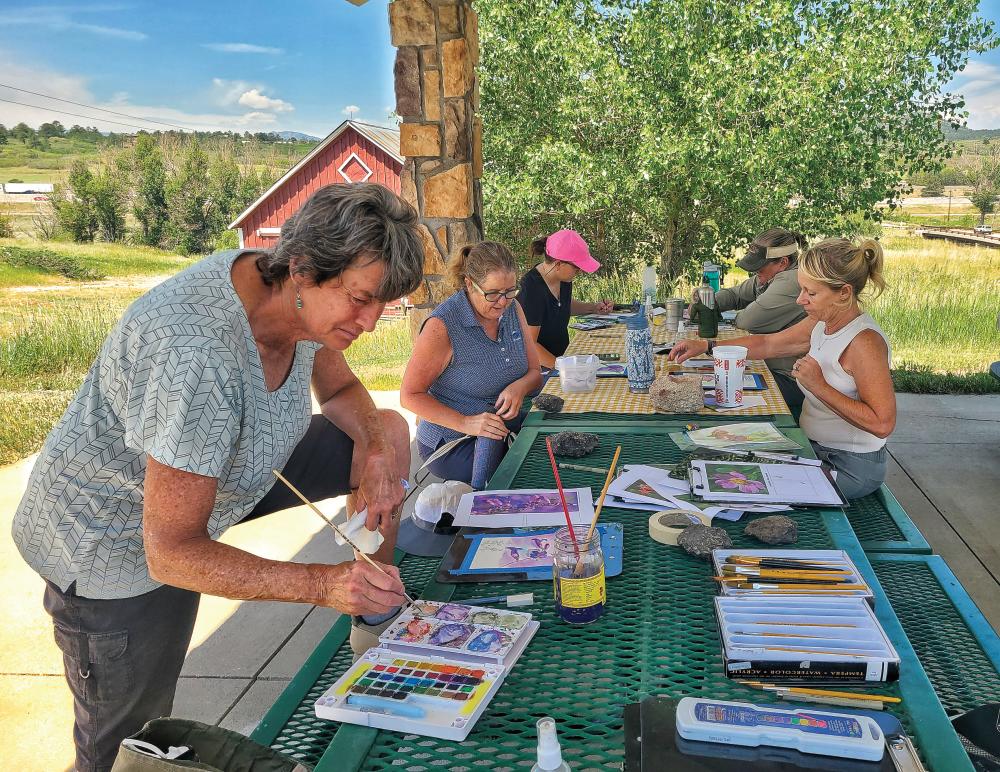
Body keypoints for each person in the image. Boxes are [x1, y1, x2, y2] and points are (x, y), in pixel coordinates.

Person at [11, 182, 424, 771]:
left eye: (381, 303)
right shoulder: (195, 354)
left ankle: (376, 615)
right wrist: (322, 584)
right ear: (303, 268)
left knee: (387, 428)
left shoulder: (291, 300)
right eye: (360, 300)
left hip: (231, 463)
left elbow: (338, 390)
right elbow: (172, 552)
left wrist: (379, 450)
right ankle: (356, 591)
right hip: (114, 540)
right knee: (131, 740)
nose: (372, 322)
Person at [671, 237, 894, 500]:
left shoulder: (864, 342)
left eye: (811, 293)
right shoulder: (822, 322)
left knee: (733, 486)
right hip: (812, 448)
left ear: (844, 293)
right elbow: (769, 344)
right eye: (801, 289)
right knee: (709, 459)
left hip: (848, 465)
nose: (801, 300)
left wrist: (819, 386)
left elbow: (882, 423)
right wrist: (708, 346)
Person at [401, 241, 542, 489]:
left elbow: (535, 373)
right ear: (469, 284)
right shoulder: (442, 325)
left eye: (510, 291)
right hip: (452, 440)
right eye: (492, 293)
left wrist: (518, 388)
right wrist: (466, 422)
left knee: (548, 451)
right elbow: (409, 396)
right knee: (524, 473)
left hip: (502, 427)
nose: (503, 302)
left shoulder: (513, 308)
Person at [693, 228, 808, 414]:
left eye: (760, 266)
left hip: (790, 379)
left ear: (783, 262)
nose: (755, 271)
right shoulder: (770, 275)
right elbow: (736, 294)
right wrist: (707, 301)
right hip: (771, 366)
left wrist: (712, 312)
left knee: (720, 391)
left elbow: (747, 321)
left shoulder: (790, 281)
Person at [518, 229, 614, 369]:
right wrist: (564, 368)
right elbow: (529, 344)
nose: (579, 272)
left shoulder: (564, 279)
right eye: (577, 268)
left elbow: (561, 305)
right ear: (558, 264)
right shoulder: (532, 289)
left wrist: (593, 308)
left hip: (561, 358)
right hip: (539, 368)